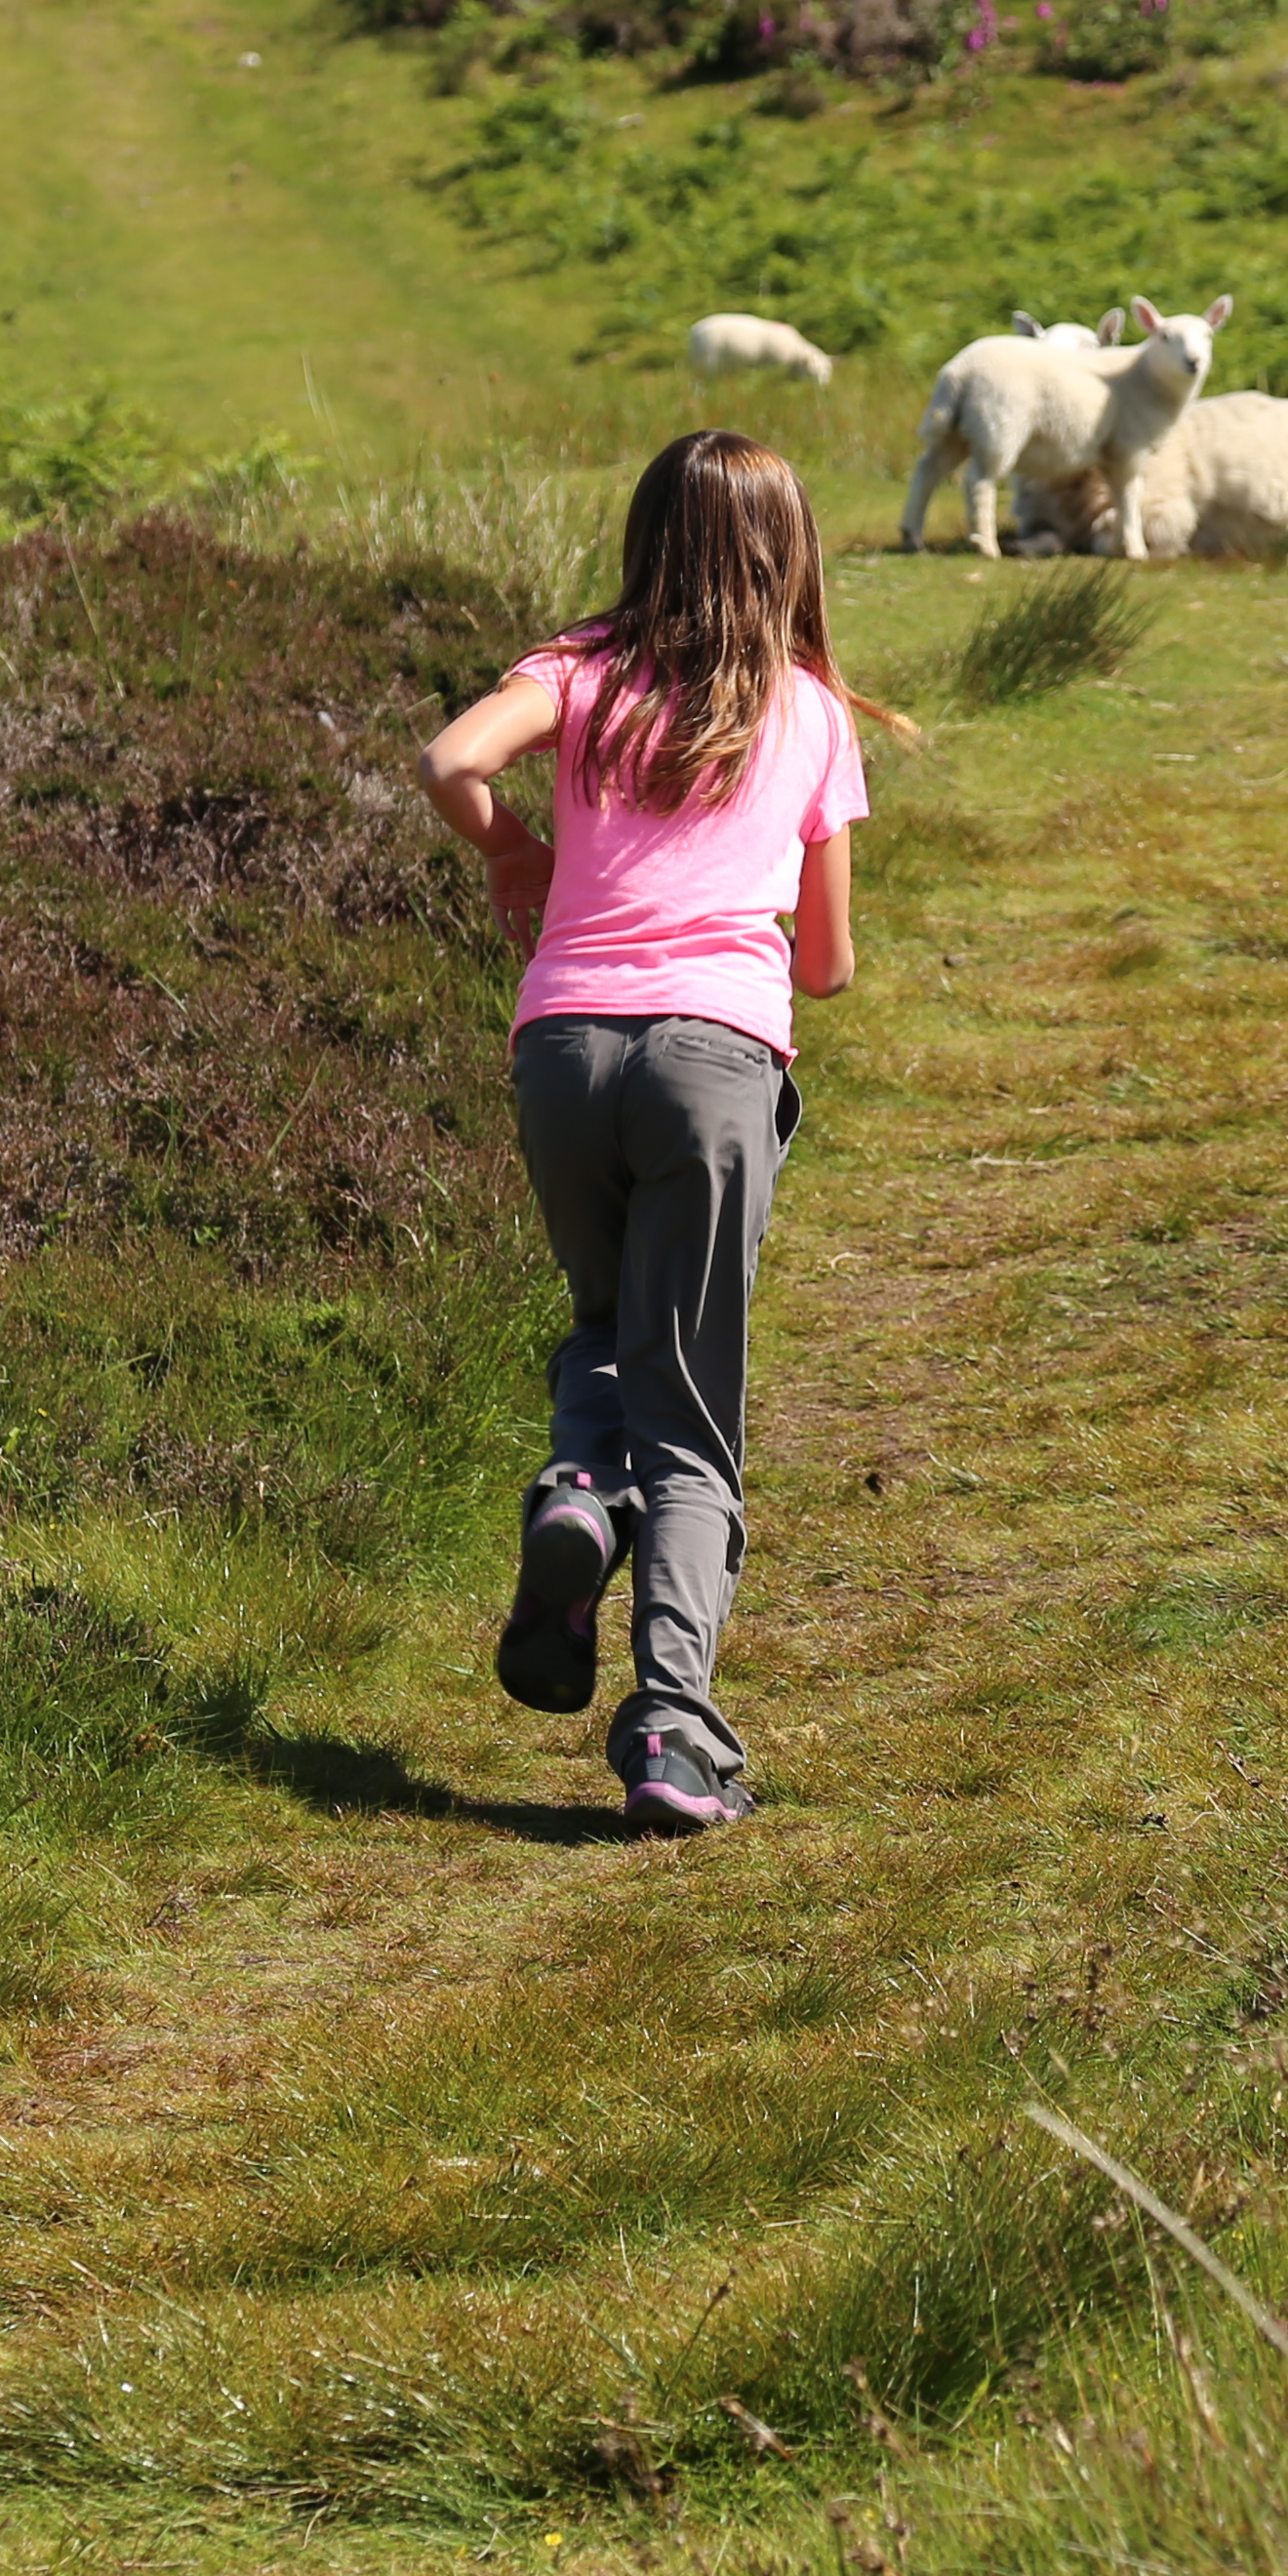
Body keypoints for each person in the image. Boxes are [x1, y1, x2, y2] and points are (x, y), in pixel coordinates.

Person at [417, 429, 886, 1834]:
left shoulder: (577, 672)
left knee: (607, 1326)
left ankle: (576, 1490)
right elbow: (830, 966)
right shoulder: (808, 710)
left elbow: (450, 756)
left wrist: (514, 849)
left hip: (561, 1048)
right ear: (788, 551)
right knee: (693, 1417)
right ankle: (674, 1735)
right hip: (712, 1064)